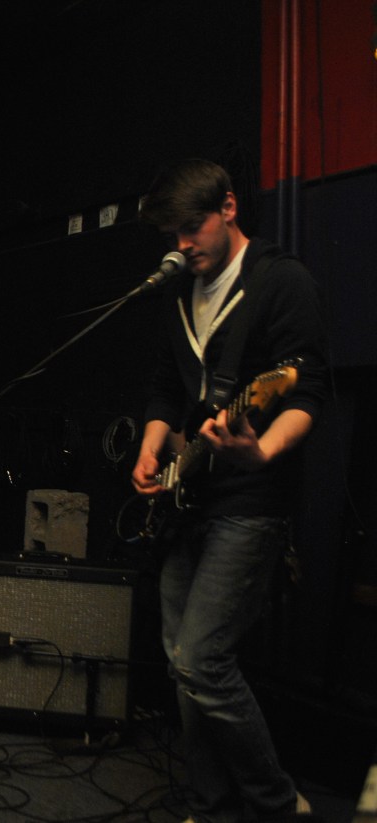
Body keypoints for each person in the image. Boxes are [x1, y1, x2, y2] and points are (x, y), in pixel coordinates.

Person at [131, 159, 326, 823]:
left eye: (194, 227)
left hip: (251, 500)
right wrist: (153, 445)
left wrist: (261, 449)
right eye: (173, 234)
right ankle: (212, 806)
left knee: (201, 659)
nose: (183, 244)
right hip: (189, 496)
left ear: (230, 208)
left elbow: (306, 389)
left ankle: (277, 804)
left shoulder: (279, 281)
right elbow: (166, 387)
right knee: (179, 661)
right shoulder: (179, 292)